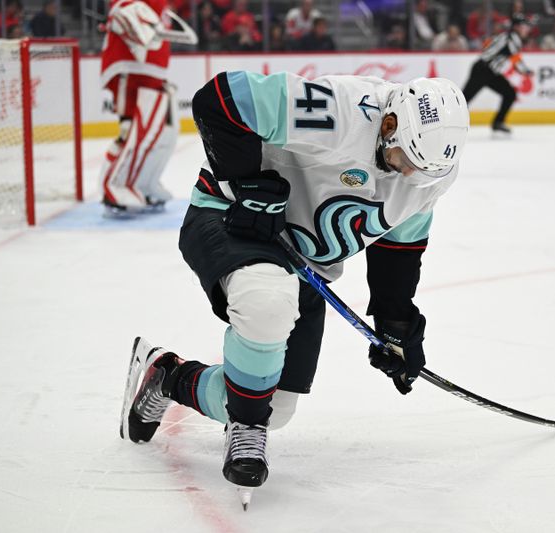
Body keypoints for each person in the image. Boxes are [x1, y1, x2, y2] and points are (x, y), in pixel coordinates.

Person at [119, 72, 469, 505]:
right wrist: (247, 185)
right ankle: (246, 430)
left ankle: (167, 377)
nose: (411, 175)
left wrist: (396, 321)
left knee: (277, 407)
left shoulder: (430, 173)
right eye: (406, 161)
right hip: (231, 218)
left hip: (301, 264)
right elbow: (221, 99)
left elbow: (402, 240)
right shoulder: (342, 109)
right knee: (266, 303)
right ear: (390, 123)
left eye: (423, 171)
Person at [99, 0, 193, 213]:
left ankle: (143, 183)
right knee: (130, 131)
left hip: (151, 73)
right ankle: (114, 185)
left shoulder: (160, 5)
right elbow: (120, 12)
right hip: (131, 70)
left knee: (163, 135)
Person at [462, 13, 533, 136]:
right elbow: (515, 58)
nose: (527, 29)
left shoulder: (509, 36)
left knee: (510, 93)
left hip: (489, 71)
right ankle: (446, 120)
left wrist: (524, 70)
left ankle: (498, 123)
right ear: (516, 27)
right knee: (464, 99)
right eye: (524, 26)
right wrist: (525, 70)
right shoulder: (512, 38)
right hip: (483, 70)